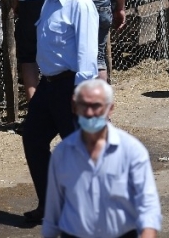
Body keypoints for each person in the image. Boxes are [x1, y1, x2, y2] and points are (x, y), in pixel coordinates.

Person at [21, 0, 100, 225]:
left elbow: (87, 53)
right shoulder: (50, 1)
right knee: (32, 137)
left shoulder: (80, 4)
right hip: (49, 85)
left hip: (71, 85)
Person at [43, 78, 161, 238]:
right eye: (84, 105)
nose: (90, 113)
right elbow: (53, 210)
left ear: (110, 108)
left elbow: (148, 206)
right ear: (74, 107)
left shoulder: (131, 151)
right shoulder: (63, 153)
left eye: (96, 106)